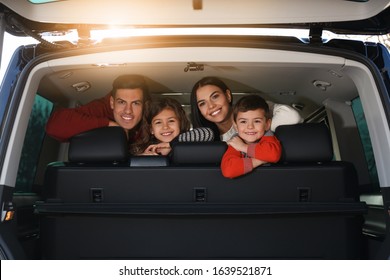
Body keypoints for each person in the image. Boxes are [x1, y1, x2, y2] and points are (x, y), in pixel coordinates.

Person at [45, 74, 151, 143]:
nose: (128, 110)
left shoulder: (153, 115)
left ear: (144, 106)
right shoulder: (101, 109)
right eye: (122, 102)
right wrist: (109, 124)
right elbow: (55, 127)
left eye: (136, 103)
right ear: (112, 103)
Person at [190, 76, 303, 141]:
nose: (211, 106)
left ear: (228, 95)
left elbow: (292, 117)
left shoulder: (252, 108)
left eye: (215, 96)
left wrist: (260, 126)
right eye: (202, 103)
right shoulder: (203, 138)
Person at [220, 95, 282, 179]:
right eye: (243, 121)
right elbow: (228, 170)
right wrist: (260, 160)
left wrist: (244, 147)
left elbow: (273, 155)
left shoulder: (268, 137)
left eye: (257, 121)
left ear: (267, 124)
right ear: (235, 126)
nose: (250, 127)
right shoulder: (236, 142)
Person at [131, 97, 214, 155]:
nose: (165, 127)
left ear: (180, 123)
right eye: (158, 122)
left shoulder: (188, 144)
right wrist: (143, 160)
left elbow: (208, 133)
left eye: (171, 121)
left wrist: (171, 144)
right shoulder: (141, 150)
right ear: (151, 129)